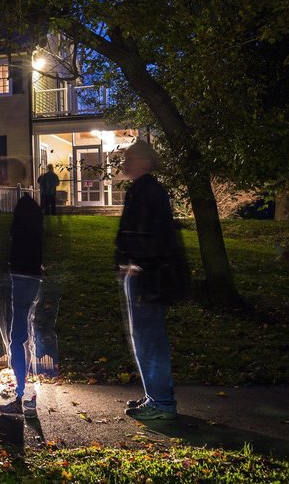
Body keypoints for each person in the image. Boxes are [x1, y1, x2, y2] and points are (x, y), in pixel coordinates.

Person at [115, 141, 187, 421]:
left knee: (148, 338)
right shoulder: (146, 189)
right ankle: (155, 395)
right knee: (145, 337)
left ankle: (161, 401)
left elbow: (152, 235)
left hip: (147, 277)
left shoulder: (147, 191)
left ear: (145, 161)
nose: (125, 163)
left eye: (130, 157)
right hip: (144, 274)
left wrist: (137, 264)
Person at [0, 188, 44, 416]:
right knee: (30, 336)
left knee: (18, 338)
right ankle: (29, 393)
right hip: (34, 276)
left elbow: (12, 246)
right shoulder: (35, 217)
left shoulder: (19, 219)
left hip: (21, 277)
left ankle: (21, 393)